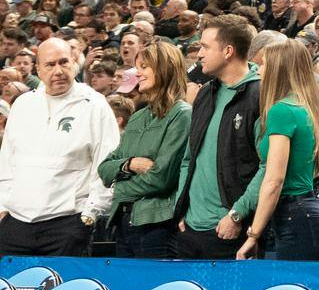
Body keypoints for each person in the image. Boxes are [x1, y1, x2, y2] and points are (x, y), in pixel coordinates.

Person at [0, 36, 119, 256]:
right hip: (15, 224)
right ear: (38, 69)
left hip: (68, 225)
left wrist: (90, 214)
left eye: (64, 62)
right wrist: (2, 208)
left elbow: (107, 164)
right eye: (50, 64)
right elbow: (7, 162)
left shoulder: (94, 104)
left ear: (74, 63)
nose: (58, 71)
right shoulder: (23, 105)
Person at [174, 13, 265, 258]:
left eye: (205, 47)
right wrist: (181, 208)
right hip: (189, 229)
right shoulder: (205, 93)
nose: (199, 54)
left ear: (228, 51)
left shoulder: (259, 95)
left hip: (230, 230)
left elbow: (267, 166)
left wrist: (237, 214)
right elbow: (188, 157)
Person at [236, 38, 319, 260]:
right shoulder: (301, 107)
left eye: (263, 64)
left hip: (296, 217)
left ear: (278, 70)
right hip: (303, 215)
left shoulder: (281, 111)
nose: (258, 70)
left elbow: (274, 181)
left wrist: (253, 235)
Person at [99, 38, 192, 258]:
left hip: (156, 226)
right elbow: (104, 169)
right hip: (122, 222)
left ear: (165, 69)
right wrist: (130, 164)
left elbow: (161, 178)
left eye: (144, 67)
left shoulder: (182, 114)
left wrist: (119, 189)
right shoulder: (137, 117)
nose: (137, 73)